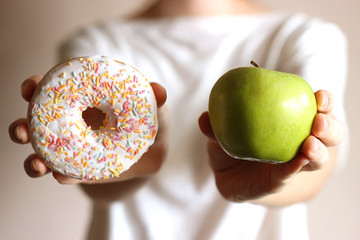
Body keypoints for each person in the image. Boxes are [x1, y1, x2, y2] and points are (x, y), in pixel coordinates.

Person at [9, 0, 348, 239]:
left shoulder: (305, 36)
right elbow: (98, 179)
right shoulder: (94, 44)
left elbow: (319, 165)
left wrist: (264, 185)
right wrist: (148, 152)